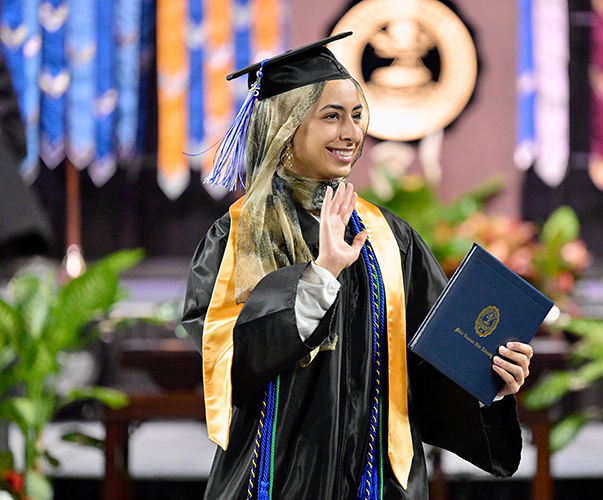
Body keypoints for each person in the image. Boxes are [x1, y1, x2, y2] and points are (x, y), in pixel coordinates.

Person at [181, 33, 532, 500]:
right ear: (287, 128)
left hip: (377, 482)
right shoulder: (241, 235)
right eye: (331, 116)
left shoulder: (389, 238)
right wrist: (319, 277)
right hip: (274, 479)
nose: (351, 132)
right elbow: (222, 357)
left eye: (356, 115)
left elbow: (430, 363)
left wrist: (490, 375)